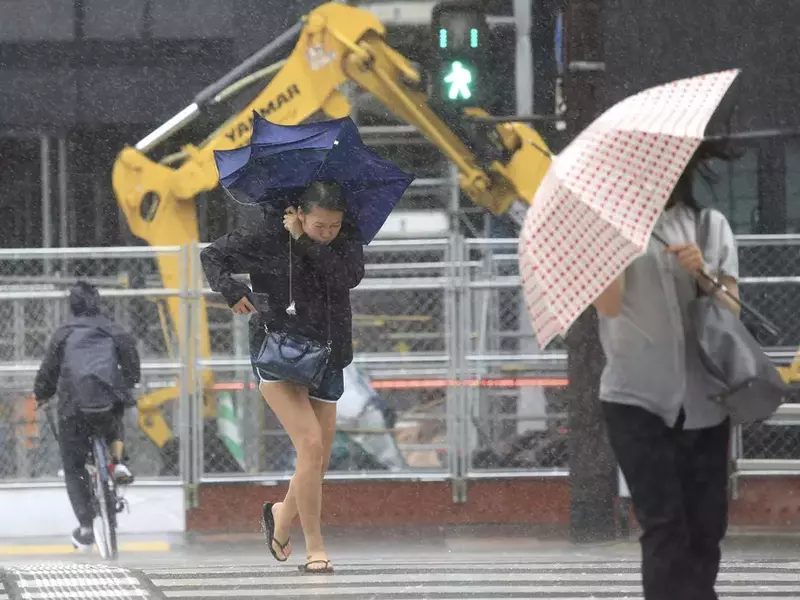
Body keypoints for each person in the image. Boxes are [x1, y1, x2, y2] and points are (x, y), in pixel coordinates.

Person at [593, 142, 740, 600]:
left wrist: (702, 273)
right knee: (664, 525)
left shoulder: (708, 226)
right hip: (634, 399)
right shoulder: (610, 230)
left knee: (705, 526)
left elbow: (731, 309)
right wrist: (616, 244)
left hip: (705, 399)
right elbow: (608, 305)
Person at [200, 181, 365, 574]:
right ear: (300, 214)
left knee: (318, 459)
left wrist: (306, 242)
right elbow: (213, 256)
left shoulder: (346, 237)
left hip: (329, 353)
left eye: (334, 226)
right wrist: (231, 290)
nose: (328, 233)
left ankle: (280, 512)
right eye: (319, 225)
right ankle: (315, 549)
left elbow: (344, 278)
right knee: (309, 446)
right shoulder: (267, 234)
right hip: (279, 352)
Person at [34, 281, 141, 551]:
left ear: (72, 306)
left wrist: (42, 394)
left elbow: (48, 371)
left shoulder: (64, 332)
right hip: (107, 400)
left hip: (73, 406)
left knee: (73, 466)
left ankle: (85, 527)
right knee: (114, 419)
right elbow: (130, 354)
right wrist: (128, 381)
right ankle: (117, 462)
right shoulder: (112, 328)